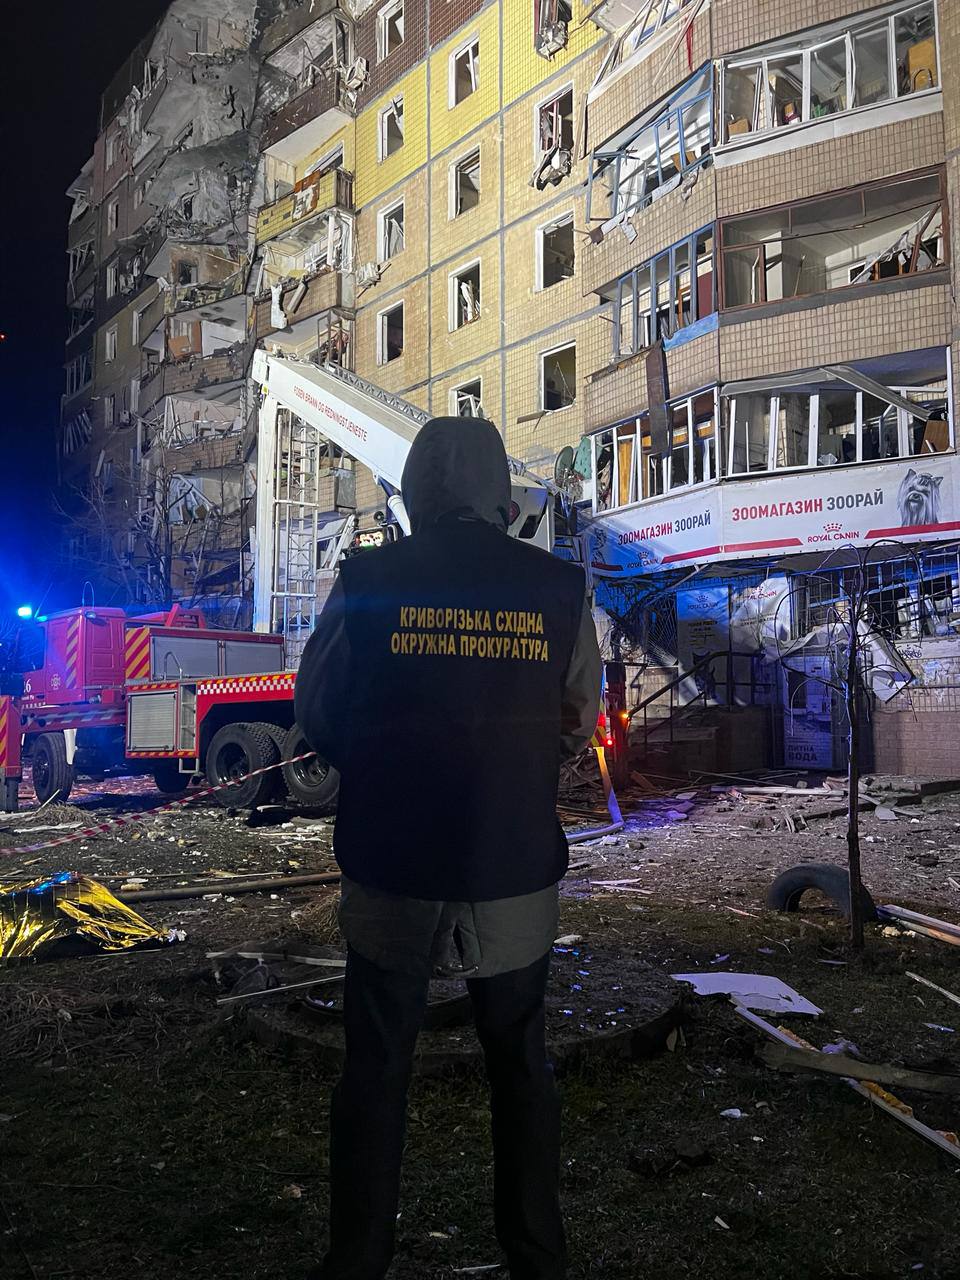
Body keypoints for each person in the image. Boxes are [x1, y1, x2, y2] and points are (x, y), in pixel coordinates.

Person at [294, 415, 602, 1280]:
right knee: (522, 1068)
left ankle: (357, 1262)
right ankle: (537, 1258)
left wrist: (384, 761)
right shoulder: (557, 587)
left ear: (416, 494)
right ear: (501, 497)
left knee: (375, 1069)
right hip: (512, 866)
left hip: (392, 862)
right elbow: (576, 722)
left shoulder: (368, 578)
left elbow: (318, 709)